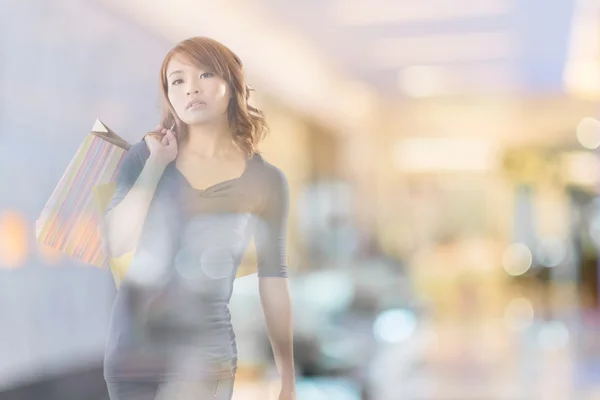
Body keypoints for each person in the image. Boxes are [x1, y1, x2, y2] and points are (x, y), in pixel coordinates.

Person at [102, 36, 295, 400]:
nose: (191, 88)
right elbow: (117, 242)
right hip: (132, 350)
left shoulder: (265, 180)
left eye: (204, 74)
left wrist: (287, 376)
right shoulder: (144, 158)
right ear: (168, 95)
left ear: (231, 85)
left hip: (205, 349)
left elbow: (273, 280)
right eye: (177, 80)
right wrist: (156, 166)